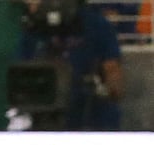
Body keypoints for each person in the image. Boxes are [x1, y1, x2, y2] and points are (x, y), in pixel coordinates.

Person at [16, 0, 124, 130]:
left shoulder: (96, 24)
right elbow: (21, 69)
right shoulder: (35, 27)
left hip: (88, 110)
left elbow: (112, 72)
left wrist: (108, 90)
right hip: (45, 108)